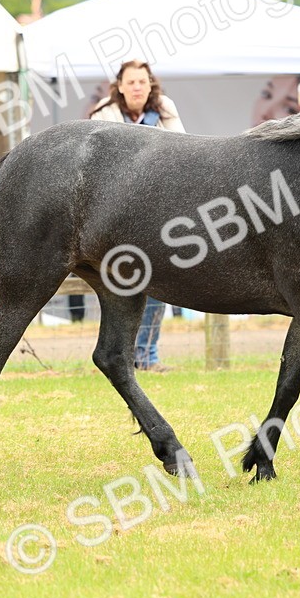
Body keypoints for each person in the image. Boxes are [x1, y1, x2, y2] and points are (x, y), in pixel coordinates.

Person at [90, 60, 185, 371]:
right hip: (115, 213)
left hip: (156, 211)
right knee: (119, 287)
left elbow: (182, 151)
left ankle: (147, 356)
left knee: (157, 282)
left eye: (142, 81)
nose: (136, 87)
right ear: (120, 86)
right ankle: (122, 357)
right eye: (130, 82)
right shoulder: (103, 112)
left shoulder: (165, 108)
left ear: (150, 84)